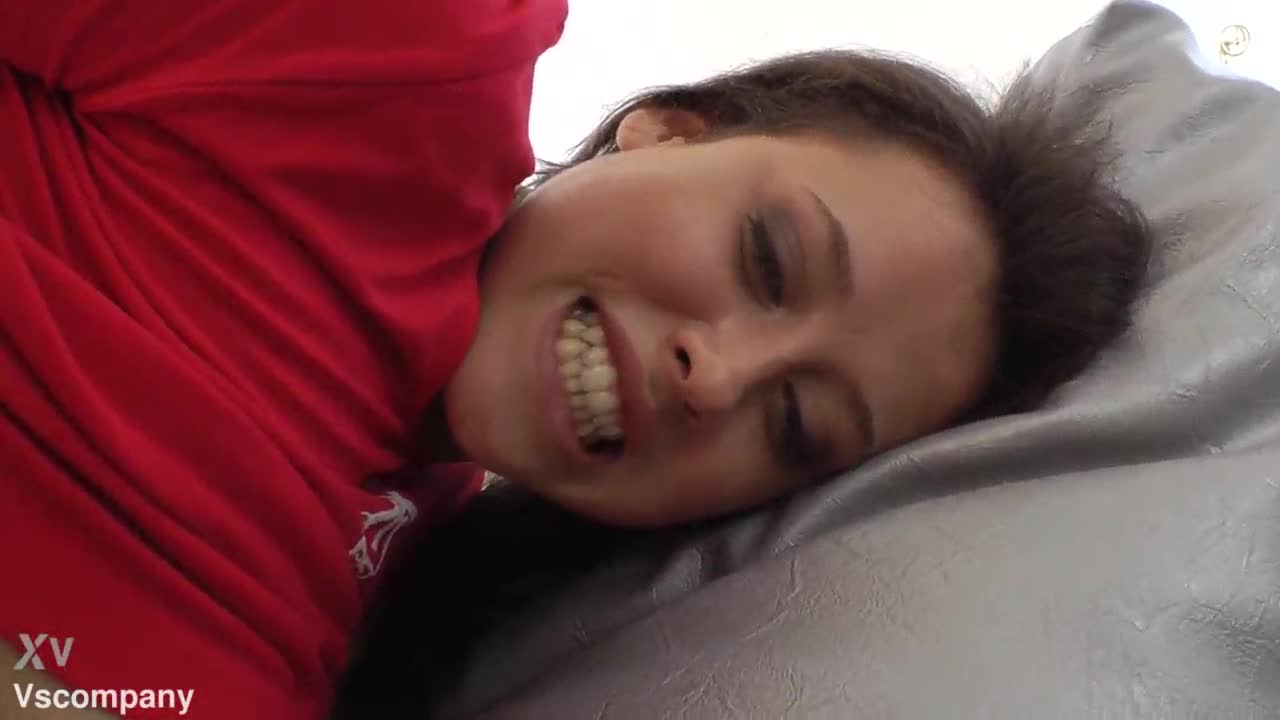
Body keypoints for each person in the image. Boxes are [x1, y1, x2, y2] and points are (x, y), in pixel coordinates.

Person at [0, 2, 1150, 720]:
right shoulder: (406, 56)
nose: (717, 377)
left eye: (796, 424)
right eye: (767, 256)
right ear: (669, 129)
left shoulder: (387, 616)